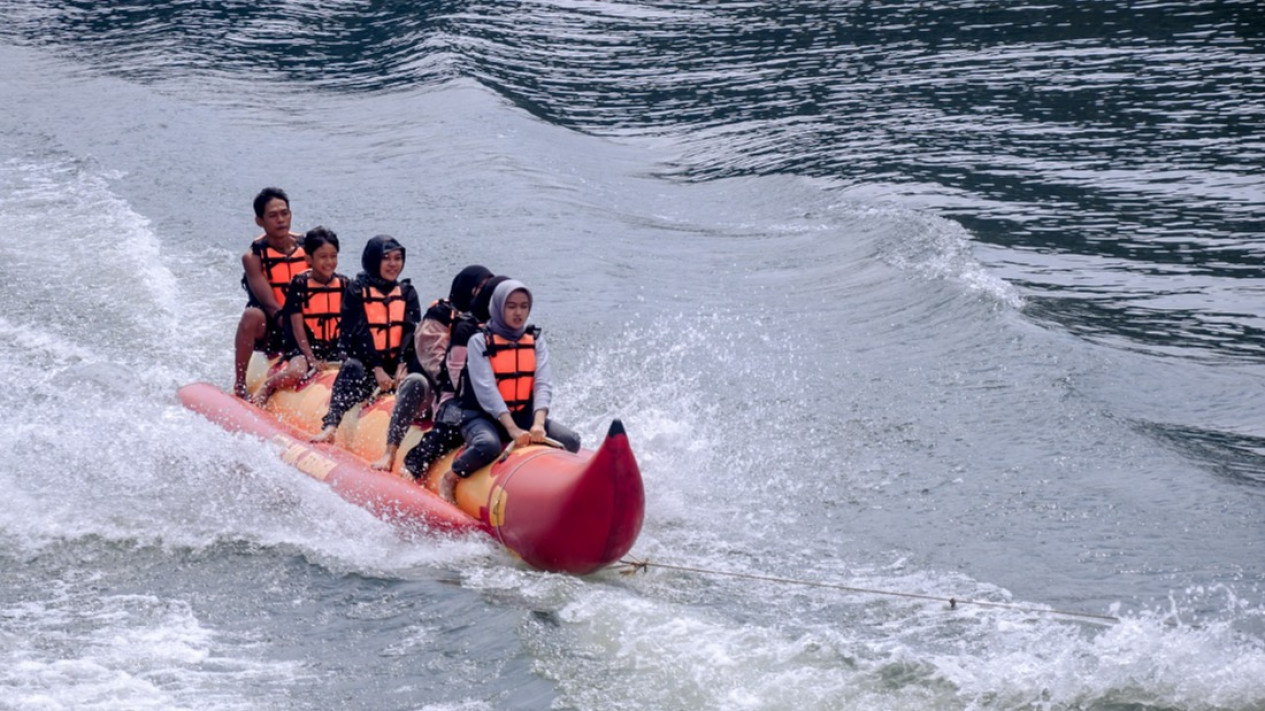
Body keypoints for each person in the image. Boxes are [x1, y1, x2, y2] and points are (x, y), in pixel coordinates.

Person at [437, 279, 581, 502]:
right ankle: (451, 476)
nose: (518, 313)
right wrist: (512, 429)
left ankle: (559, 489)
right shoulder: (479, 341)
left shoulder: (535, 339)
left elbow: (543, 383)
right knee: (488, 445)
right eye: (511, 306)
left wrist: (538, 423)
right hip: (482, 417)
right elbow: (486, 389)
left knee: (571, 440)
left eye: (524, 306)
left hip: (523, 415)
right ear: (498, 307)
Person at [372, 264, 494, 471]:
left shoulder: (493, 322)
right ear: (467, 287)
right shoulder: (440, 315)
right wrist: (465, 391)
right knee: (415, 382)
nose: (483, 294)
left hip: (473, 397)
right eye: (479, 287)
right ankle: (390, 452)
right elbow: (434, 363)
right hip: (434, 394)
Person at [311, 235, 422, 443]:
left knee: (420, 375)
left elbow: (409, 331)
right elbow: (359, 333)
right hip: (365, 364)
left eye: (398, 258)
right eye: (386, 258)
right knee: (352, 368)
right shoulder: (356, 290)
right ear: (373, 260)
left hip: (395, 367)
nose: (393, 264)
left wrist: (402, 364)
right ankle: (331, 426)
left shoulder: (407, 292)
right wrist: (377, 368)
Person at [398, 270, 503, 480]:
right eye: (480, 288)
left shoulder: (503, 328)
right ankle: (414, 464)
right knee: (452, 425)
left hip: (494, 401)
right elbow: (443, 371)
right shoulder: (450, 321)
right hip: (447, 396)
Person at [251, 227, 348, 407]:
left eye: (333, 256)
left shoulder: (343, 284)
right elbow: (297, 327)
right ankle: (268, 385)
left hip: (332, 347)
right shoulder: (300, 284)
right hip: (302, 347)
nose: (329, 262)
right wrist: (310, 358)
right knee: (297, 371)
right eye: (323, 257)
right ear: (309, 259)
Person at [234, 187, 306, 399]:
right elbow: (271, 305)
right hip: (274, 326)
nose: (281, 220)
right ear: (260, 221)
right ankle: (240, 384)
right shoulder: (253, 256)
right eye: (273, 216)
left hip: (309, 322)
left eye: (284, 213)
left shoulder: (308, 246)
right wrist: (298, 337)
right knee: (251, 316)